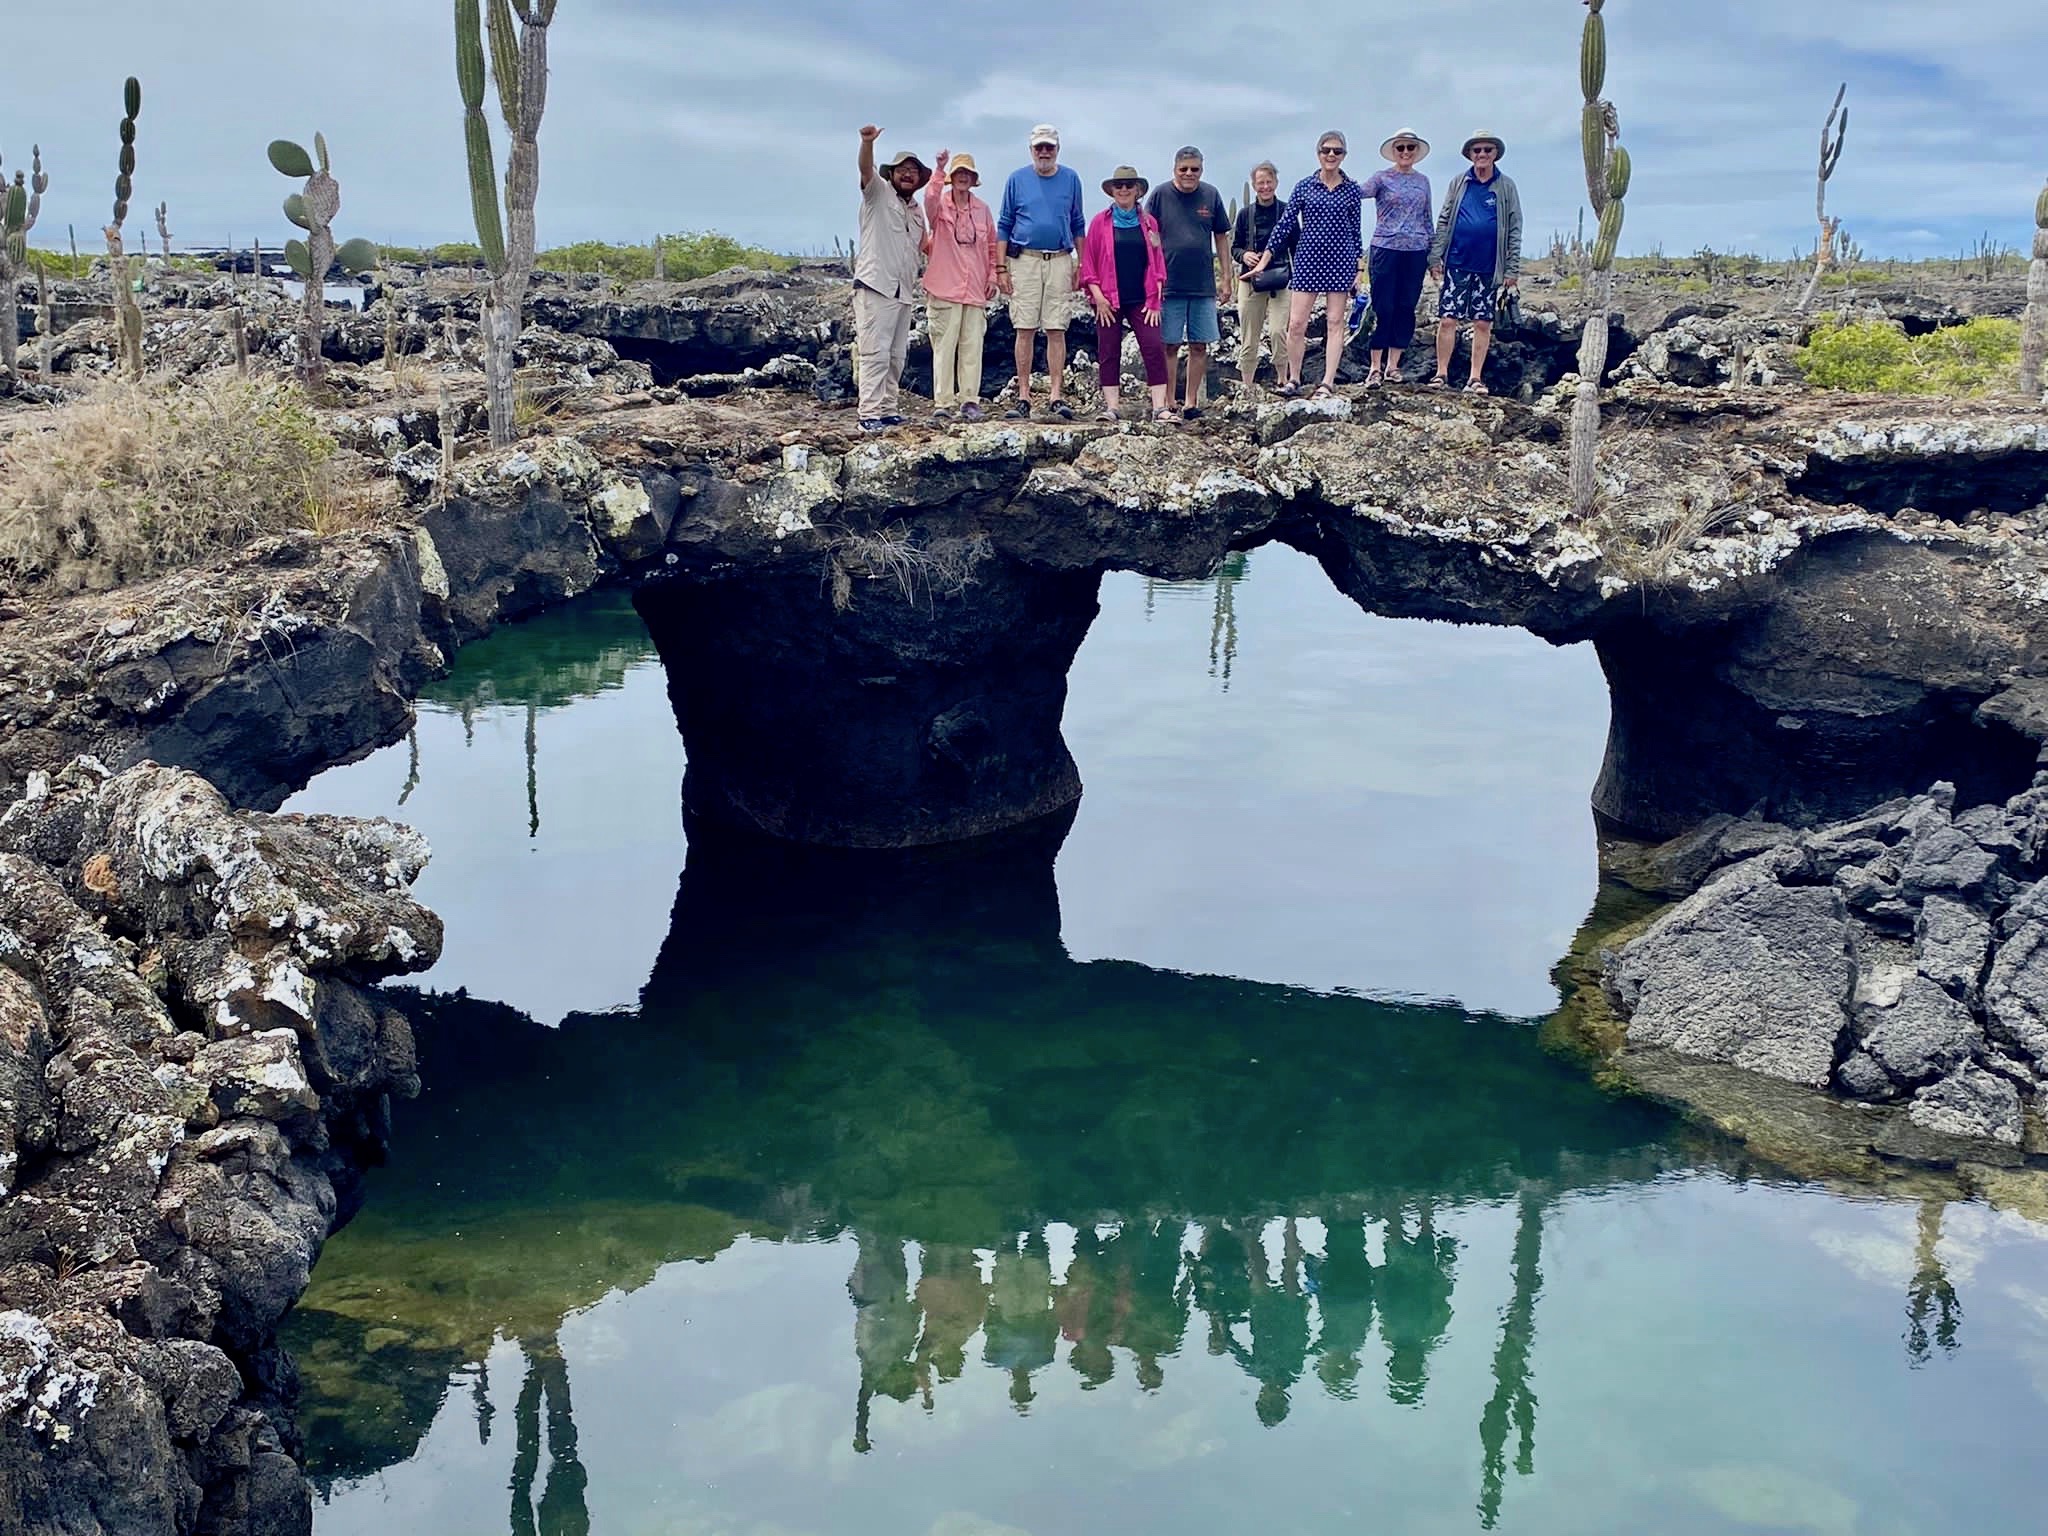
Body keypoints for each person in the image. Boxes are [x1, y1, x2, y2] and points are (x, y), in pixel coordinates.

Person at [1242, 130, 1366, 400]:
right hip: (1308, 259)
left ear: (1344, 155)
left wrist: (1359, 270)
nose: (1331, 155)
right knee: (1296, 323)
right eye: (1326, 150)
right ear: (1318, 153)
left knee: (1335, 322)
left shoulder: (1352, 189)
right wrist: (1264, 259)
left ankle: (1328, 381)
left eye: (1337, 151)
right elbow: (1285, 224)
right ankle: (1294, 378)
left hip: (1341, 261)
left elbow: (1356, 231)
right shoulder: (1304, 186)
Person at [995, 124, 1087, 420]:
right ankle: (1023, 396)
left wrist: (1081, 264)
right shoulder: (1016, 179)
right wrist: (1001, 268)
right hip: (1025, 260)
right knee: (1024, 327)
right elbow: (1004, 224)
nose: (1044, 152)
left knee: (1056, 328)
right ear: (1031, 150)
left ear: (1057, 149)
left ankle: (1056, 396)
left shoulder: (1071, 179)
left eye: (1049, 147)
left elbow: (1078, 223)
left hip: (1060, 259)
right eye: (1039, 148)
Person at [1428, 132, 1523, 394]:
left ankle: (1475, 378)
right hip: (1457, 262)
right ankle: (1441, 374)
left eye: (1487, 150)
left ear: (1495, 154)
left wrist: (1512, 269)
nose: (1482, 154)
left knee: (1482, 322)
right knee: (1448, 319)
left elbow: (1514, 227)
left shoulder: (1506, 186)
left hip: (1490, 267)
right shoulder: (1459, 183)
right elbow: (1444, 219)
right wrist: (1435, 256)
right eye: (1477, 150)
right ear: (1470, 154)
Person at [1077, 165, 1172, 422]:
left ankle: (1160, 407)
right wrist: (1098, 297)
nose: (1123, 189)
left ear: (1138, 190)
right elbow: (1089, 263)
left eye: (1129, 185)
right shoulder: (1099, 222)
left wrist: (1155, 301)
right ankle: (1112, 408)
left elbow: (1158, 264)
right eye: (1119, 186)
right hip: (1108, 299)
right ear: (1111, 191)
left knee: (1153, 346)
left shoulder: (1149, 224)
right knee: (1108, 350)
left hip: (1142, 298)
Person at [1144, 147, 1233, 420]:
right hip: (1168, 284)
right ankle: (1169, 400)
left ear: (1201, 170)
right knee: (1169, 345)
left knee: (1199, 345)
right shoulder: (1159, 195)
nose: (1189, 174)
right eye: (1184, 169)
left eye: (1194, 169)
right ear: (1175, 169)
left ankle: (1191, 401)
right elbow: (1147, 232)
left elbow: (1221, 237)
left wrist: (1226, 276)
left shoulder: (1211, 194)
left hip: (1203, 283)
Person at [853, 125, 929, 433]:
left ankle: (888, 408)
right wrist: (867, 142)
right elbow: (865, 168)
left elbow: (924, 246)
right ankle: (869, 412)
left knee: (897, 355)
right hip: (876, 285)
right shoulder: (878, 193)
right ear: (892, 173)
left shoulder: (917, 210)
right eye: (903, 169)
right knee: (874, 352)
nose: (908, 174)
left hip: (904, 291)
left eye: (913, 171)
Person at [921, 149, 999, 423]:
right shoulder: (940, 205)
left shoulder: (983, 210)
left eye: (968, 174)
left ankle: (969, 400)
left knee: (972, 347)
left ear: (973, 178)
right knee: (944, 347)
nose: (963, 178)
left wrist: (993, 277)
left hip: (975, 288)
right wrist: (939, 168)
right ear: (952, 178)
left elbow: (991, 245)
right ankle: (943, 401)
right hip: (945, 287)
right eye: (959, 174)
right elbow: (928, 200)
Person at [1357, 130, 1434, 386]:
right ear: (1393, 151)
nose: (1405, 152)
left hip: (1415, 252)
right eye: (1400, 148)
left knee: (1406, 307)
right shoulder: (1381, 178)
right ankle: (1375, 366)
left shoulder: (1423, 181)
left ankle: (1393, 365)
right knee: (1383, 307)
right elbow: (1357, 194)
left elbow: (1427, 218)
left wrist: (1434, 257)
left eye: (1410, 147)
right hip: (1385, 249)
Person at [1231, 161, 1290, 390]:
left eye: (1269, 182)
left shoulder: (1286, 211)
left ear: (1275, 182)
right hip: (1250, 281)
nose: (1265, 187)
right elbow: (1234, 247)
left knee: (1278, 331)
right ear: (1254, 185)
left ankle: (1282, 378)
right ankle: (1247, 385)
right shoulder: (1245, 214)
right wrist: (1245, 256)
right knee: (1249, 335)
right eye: (1260, 183)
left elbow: (1296, 244)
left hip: (1280, 279)